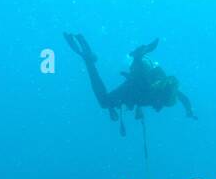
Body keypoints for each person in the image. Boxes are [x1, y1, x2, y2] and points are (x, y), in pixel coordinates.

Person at [64, 33, 197, 135]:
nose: (159, 107)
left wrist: (189, 110)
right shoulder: (152, 87)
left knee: (105, 102)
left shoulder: (166, 92)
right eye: (161, 104)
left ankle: (90, 61)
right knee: (104, 102)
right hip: (135, 86)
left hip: (136, 88)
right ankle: (89, 61)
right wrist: (139, 55)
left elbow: (183, 98)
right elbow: (139, 75)